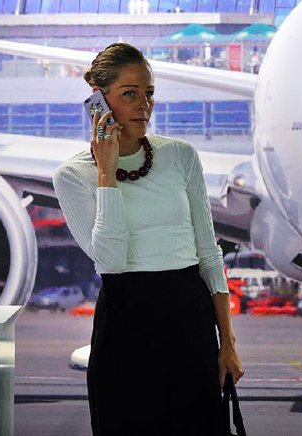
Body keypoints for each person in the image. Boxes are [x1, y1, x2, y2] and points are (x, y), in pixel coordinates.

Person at [53, 42, 244, 435]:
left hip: (189, 320)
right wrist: (106, 175)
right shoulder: (72, 176)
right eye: (130, 94)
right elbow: (110, 261)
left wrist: (227, 342)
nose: (144, 104)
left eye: (149, 93)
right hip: (126, 323)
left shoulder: (180, 156)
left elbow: (209, 255)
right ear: (99, 103)